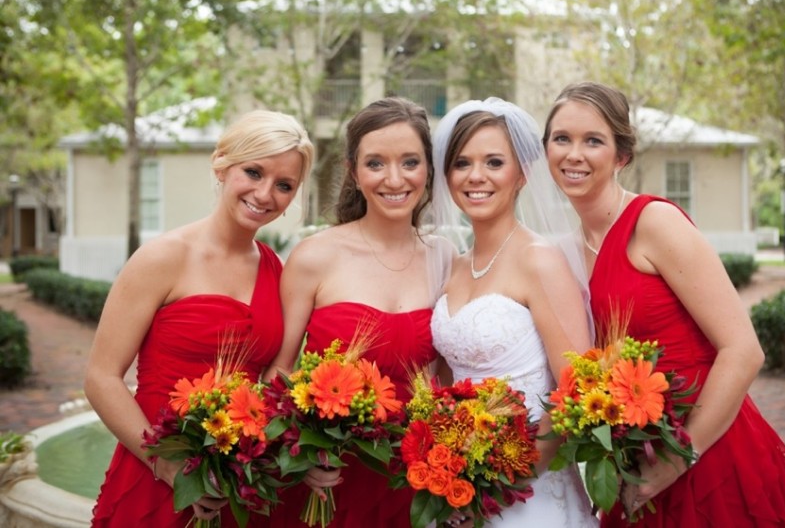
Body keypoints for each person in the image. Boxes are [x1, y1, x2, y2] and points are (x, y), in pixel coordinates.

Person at [542, 81, 785, 527]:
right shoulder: (563, 253)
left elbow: (744, 351)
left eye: (593, 141)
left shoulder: (654, 223)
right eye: (561, 138)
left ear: (621, 155)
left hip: (707, 450)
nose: (574, 154)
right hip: (635, 461)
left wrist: (679, 457)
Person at [85, 109, 315, 527]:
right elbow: (101, 378)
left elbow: (274, 379)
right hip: (157, 468)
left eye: (284, 185)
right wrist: (167, 466)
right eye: (253, 172)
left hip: (241, 480)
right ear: (221, 164)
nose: (265, 194)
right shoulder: (162, 258)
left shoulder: (277, 272)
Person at [263, 96, 444, 527]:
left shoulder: (445, 258)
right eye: (375, 163)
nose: (394, 179)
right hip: (328, 480)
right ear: (353, 172)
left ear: (428, 169)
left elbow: (444, 378)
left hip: (411, 482)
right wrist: (300, 453)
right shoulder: (314, 256)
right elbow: (279, 373)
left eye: (410, 162)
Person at [428, 98, 598, 527]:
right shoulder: (453, 266)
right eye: (462, 163)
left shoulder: (540, 260)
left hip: (528, 490)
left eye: (493, 162)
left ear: (521, 174)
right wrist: (449, 475)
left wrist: (495, 489)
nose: (476, 176)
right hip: (457, 487)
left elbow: (574, 392)